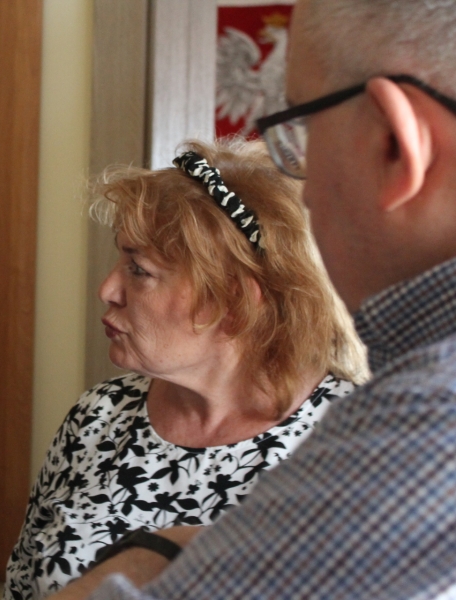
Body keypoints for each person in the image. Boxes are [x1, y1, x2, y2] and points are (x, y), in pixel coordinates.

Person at [65, 0, 456, 598]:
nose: (304, 188)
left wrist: (157, 554)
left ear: (394, 144)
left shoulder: (421, 420)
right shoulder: (97, 418)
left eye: (302, 130)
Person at [5, 138, 366, 600]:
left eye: (139, 270)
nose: (108, 289)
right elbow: (21, 585)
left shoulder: (353, 440)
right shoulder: (99, 415)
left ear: (234, 300)